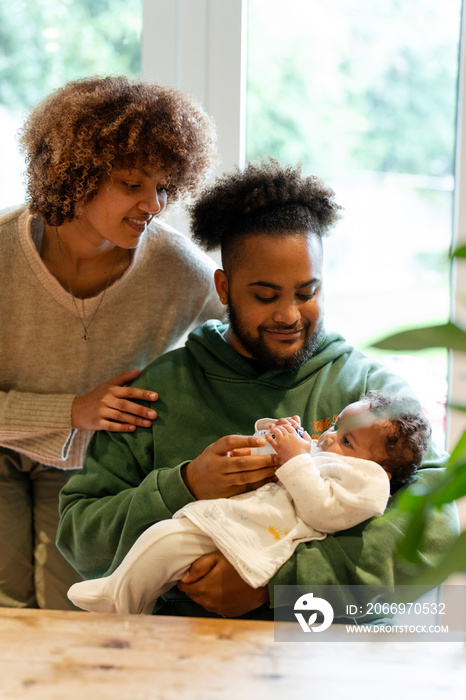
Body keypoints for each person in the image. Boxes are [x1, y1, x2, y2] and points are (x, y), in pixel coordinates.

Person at [57, 158, 459, 621]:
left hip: (320, 653)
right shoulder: (161, 391)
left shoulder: (371, 395)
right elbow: (78, 537)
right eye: (265, 296)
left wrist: (278, 588)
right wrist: (184, 486)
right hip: (181, 656)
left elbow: (433, 536)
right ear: (224, 289)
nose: (289, 315)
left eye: (306, 293)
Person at [0, 75, 224, 610]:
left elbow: (260, 327)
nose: (154, 203)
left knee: (74, 610)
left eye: (166, 186)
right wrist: (73, 408)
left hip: (90, 464)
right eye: (132, 184)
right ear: (74, 175)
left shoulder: (179, 270)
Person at [66, 391, 431, 614]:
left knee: (166, 541)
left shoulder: (367, 484)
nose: (330, 439)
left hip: (257, 537)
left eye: (347, 440)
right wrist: (279, 435)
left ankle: (118, 597)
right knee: (164, 539)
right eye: (335, 427)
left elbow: (322, 510)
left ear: (381, 470)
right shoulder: (333, 457)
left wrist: (296, 460)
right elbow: (282, 463)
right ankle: (130, 598)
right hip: (239, 521)